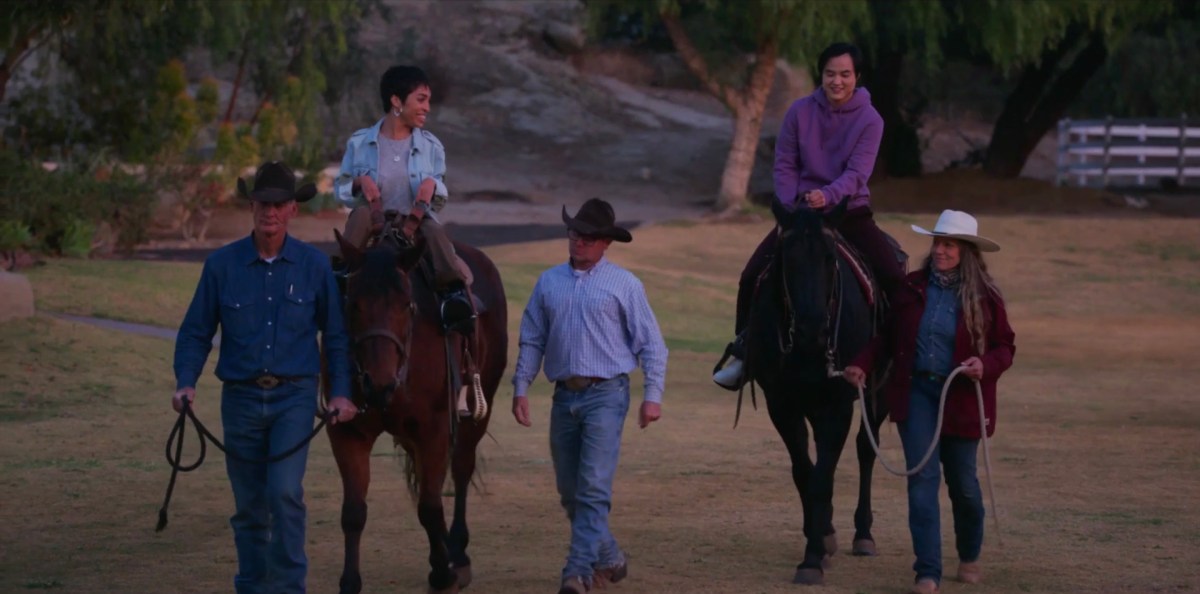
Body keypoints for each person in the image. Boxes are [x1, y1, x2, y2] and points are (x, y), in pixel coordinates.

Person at [172, 161, 359, 594]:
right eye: (261, 203)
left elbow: (335, 337)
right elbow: (196, 332)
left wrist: (342, 394)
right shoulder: (222, 265)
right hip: (239, 399)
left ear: (293, 209)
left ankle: (290, 587)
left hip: (294, 397)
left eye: (278, 204)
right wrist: (185, 382)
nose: (269, 212)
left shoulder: (314, 267)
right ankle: (252, 586)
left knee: (284, 493)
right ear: (252, 206)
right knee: (249, 506)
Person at [843, 210, 1016, 594]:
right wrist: (862, 363)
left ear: (966, 251)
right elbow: (888, 337)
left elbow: (1006, 347)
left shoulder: (986, 297)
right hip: (917, 393)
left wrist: (984, 365)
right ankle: (927, 572)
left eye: (949, 244)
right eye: (937, 243)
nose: (939, 250)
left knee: (964, 487)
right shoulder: (912, 288)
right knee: (922, 481)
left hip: (962, 397)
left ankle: (969, 553)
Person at [712, 41, 903, 390]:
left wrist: (827, 196)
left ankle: (900, 356)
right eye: (830, 73)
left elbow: (858, 173)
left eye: (845, 74)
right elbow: (785, 163)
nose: (837, 81)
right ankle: (744, 352)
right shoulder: (799, 112)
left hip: (848, 212)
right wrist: (791, 206)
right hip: (799, 216)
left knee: (894, 276)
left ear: (856, 77)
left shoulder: (870, 120)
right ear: (822, 75)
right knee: (751, 274)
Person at [511, 198, 669, 594]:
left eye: (589, 237)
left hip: (608, 394)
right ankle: (611, 557)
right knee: (570, 491)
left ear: (605, 244)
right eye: (575, 233)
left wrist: (653, 395)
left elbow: (652, 345)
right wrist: (520, 386)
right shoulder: (548, 282)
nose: (579, 241)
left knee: (594, 488)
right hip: (564, 398)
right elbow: (532, 338)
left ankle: (577, 572)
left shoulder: (625, 285)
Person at [333, 64, 473, 329]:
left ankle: (452, 294)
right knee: (360, 215)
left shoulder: (432, 146)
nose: (427, 108)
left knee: (434, 232)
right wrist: (359, 183)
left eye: (428, 101)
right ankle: (340, 278)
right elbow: (340, 188)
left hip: (415, 222)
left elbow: (441, 197)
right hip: (373, 223)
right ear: (396, 101)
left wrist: (432, 185)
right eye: (421, 100)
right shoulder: (359, 142)